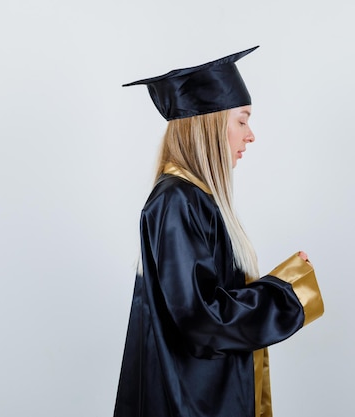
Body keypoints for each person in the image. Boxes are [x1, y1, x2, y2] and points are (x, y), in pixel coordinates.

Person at [114, 46, 324, 417]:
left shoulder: (193, 199)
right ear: (209, 125)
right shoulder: (176, 201)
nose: (251, 135)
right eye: (242, 120)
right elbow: (201, 319)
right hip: (191, 404)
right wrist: (289, 292)